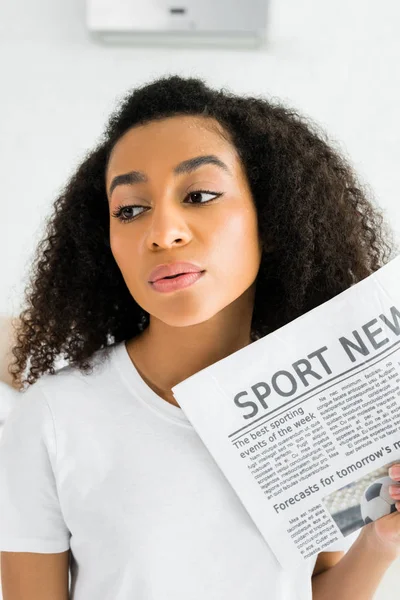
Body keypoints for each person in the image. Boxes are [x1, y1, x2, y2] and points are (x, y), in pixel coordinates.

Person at [0, 74, 399, 600]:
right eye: (131, 209)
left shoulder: (322, 408)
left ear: (272, 220)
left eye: (200, 194)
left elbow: (315, 585)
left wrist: (380, 544)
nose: (163, 231)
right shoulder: (52, 420)